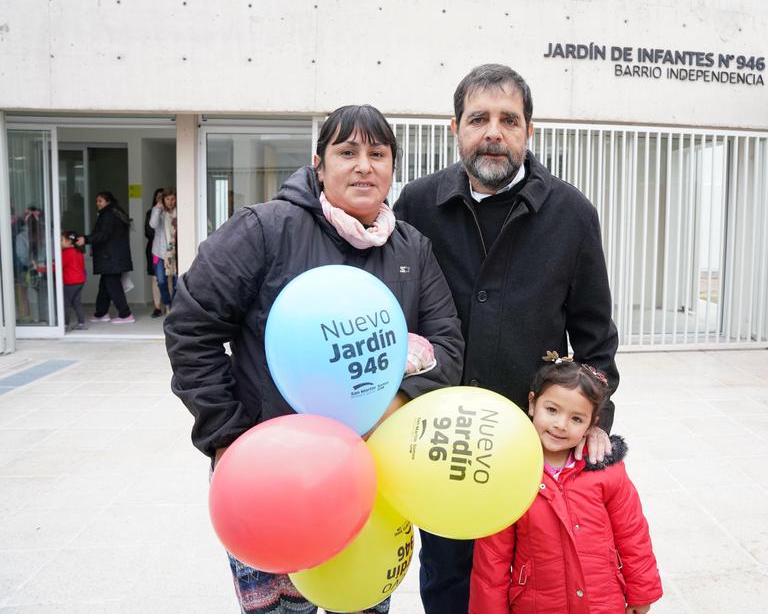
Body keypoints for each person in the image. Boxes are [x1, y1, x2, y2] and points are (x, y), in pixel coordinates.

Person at [164, 104, 464, 614]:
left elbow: (448, 349)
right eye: (347, 152)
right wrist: (227, 439)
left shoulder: (412, 247)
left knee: (362, 603)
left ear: (393, 167)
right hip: (274, 480)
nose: (363, 166)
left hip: (367, 483)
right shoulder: (264, 229)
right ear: (319, 165)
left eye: (377, 153)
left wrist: (393, 403)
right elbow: (191, 327)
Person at [393, 63, 620, 613]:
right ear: (455, 129)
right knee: (447, 577)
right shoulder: (417, 206)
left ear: (529, 132)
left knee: (527, 583)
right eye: (479, 119)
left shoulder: (571, 214)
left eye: (508, 120)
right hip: (439, 442)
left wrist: (594, 421)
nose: (493, 132)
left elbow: (595, 338)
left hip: (531, 446)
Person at [470, 354, 661, 614]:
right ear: (532, 403)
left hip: (602, 602)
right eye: (552, 410)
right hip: (538, 605)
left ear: (592, 424)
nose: (561, 425)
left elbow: (632, 534)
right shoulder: (510, 474)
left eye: (576, 419)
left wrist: (642, 593)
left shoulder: (607, 471)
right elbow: (492, 559)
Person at [76, 191, 134, 324]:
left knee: (113, 286)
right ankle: (101, 313)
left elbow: (104, 234)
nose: (97, 204)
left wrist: (86, 239)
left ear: (108, 201)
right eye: (97, 201)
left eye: (100, 201)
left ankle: (125, 314)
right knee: (104, 286)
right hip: (113, 257)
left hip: (110, 258)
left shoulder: (108, 215)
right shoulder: (115, 213)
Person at [148, 187, 178, 315]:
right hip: (159, 252)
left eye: (172, 199)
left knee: (177, 282)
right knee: (161, 280)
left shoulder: (179, 212)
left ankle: (175, 306)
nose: (170, 202)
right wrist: (156, 209)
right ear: (163, 200)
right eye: (167, 199)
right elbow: (152, 225)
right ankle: (167, 303)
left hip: (176, 252)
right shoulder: (160, 213)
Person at [145, 187, 165, 317]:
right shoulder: (151, 213)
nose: (160, 200)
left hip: (169, 250)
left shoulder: (172, 212)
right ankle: (157, 306)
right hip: (154, 249)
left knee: (169, 278)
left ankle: (168, 304)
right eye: (158, 197)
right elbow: (149, 231)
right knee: (155, 278)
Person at [61, 231, 87, 330]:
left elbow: (58, 267)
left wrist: (42, 268)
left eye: (61, 240)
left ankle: (64, 325)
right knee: (77, 303)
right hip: (80, 281)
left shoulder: (66, 253)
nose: (59, 242)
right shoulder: (78, 252)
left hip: (70, 282)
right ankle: (81, 323)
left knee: (65, 303)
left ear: (68, 242)